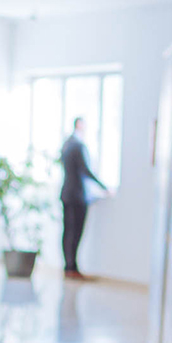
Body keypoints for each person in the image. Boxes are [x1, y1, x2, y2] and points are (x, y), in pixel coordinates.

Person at [60, 116, 107, 280]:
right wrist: (103, 187)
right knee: (75, 232)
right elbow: (85, 170)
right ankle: (72, 268)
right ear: (79, 125)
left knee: (67, 232)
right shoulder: (78, 146)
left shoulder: (66, 144)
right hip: (77, 195)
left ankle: (69, 267)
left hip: (66, 193)